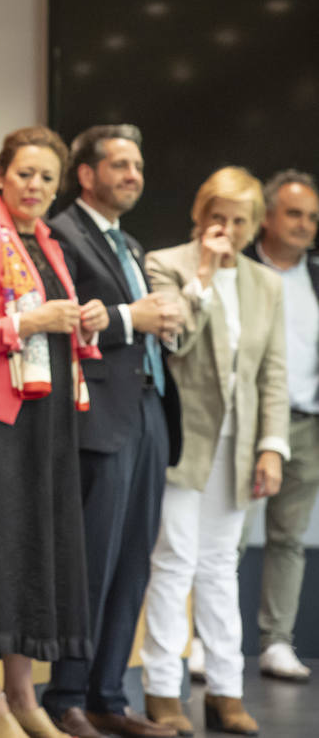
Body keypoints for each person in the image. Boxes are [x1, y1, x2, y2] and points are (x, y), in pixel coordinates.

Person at [0, 126, 107, 738]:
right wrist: (29, 320)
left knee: (33, 554)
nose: (36, 186)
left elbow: (57, 326)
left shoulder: (49, 242)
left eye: (47, 177)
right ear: (0, 174)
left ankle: (23, 697)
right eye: (25, 174)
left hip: (47, 422)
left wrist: (85, 323)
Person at [41, 125, 181, 738]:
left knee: (132, 562)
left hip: (149, 410)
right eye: (120, 164)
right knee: (93, 560)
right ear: (87, 174)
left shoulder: (128, 241)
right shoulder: (62, 236)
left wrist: (165, 325)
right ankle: (66, 696)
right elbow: (66, 322)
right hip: (98, 417)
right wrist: (133, 317)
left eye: (138, 165)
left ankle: (107, 698)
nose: (134, 175)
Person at [141, 166, 289, 737]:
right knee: (174, 561)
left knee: (221, 568)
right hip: (183, 440)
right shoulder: (166, 264)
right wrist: (202, 274)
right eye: (216, 217)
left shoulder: (265, 284)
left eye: (238, 220)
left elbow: (272, 373)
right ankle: (161, 690)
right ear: (199, 217)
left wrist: (271, 448)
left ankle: (226, 691)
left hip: (240, 444)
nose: (225, 229)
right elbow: (176, 344)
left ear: (254, 227)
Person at [243, 170, 319, 683]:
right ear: (266, 217)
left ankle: (277, 642)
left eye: (312, 217)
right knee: (223, 535)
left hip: (307, 423)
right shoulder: (239, 267)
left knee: (288, 537)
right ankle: (205, 638)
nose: (305, 225)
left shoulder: (316, 274)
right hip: (247, 421)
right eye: (294, 213)